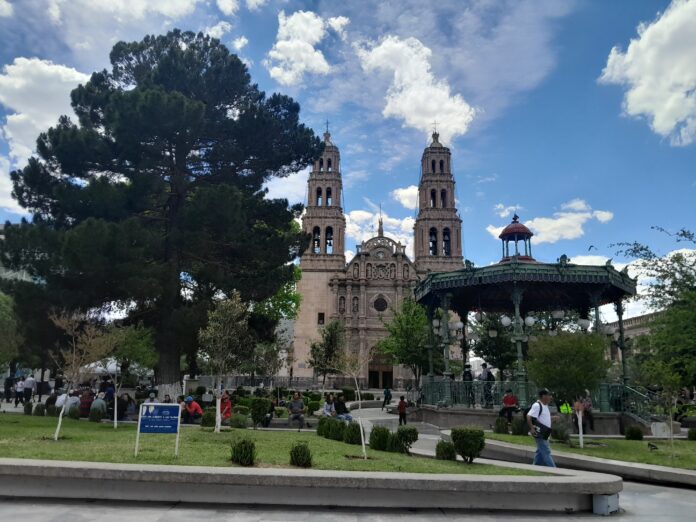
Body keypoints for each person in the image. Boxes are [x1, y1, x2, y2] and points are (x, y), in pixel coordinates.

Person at [526, 388, 556, 467]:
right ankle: (554, 470)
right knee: (546, 451)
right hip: (540, 433)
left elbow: (543, 418)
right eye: (549, 395)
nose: (550, 397)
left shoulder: (545, 406)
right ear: (543, 396)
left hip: (545, 433)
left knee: (540, 452)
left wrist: (553, 418)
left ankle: (535, 467)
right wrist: (532, 428)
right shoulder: (537, 405)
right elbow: (529, 416)